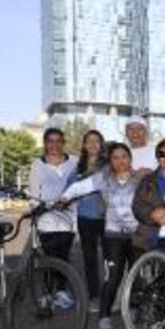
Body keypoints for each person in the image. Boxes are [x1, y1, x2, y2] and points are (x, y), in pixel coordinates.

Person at [63, 142, 140, 329]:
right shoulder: (103, 178)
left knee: (137, 275)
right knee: (112, 276)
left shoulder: (141, 179)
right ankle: (104, 317)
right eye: (115, 157)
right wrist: (63, 198)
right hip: (112, 236)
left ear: (130, 159)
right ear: (111, 161)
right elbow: (79, 187)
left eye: (124, 156)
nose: (120, 161)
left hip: (137, 236)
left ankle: (133, 309)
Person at [28, 128, 78, 263]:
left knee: (64, 259)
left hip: (68, 220)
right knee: (50, 260)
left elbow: (79, 187)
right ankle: (50, 284)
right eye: (50, 141)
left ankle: (62, 284)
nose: (54, 145)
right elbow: (34, 194)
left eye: (58, 141)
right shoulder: (38, 164)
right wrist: (38, 209)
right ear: (45, 143)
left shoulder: (74, 162)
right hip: (46, 221)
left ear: (63, 143)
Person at [74, 130, 108, 310]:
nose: (93, 144)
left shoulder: (108, 164)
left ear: (101, 144)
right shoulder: (78, 166)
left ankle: (109, 294)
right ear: (84, 145)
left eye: (97, 141)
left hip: (106, 217)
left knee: (109, 258)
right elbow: (70, 188)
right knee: (89, 258)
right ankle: (93, 295)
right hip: (85, 217)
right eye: (89, 141)